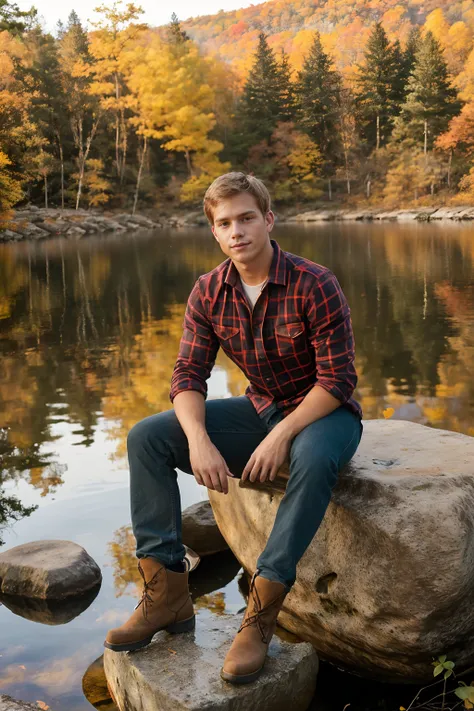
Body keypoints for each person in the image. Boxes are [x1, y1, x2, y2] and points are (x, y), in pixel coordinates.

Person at [104, 172, 363, 685]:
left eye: (246, 218)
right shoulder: (209, 291)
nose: (237, 231)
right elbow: (187, 375)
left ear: (268, 220)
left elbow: (338, 379)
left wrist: (280, 434)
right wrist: (199, 440)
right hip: (259, 408)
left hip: (325, 415)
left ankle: (261, 613)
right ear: (215, 233)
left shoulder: (315, 282)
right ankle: (167, 597)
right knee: (147, 437)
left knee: (311, 459)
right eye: (225, 223)